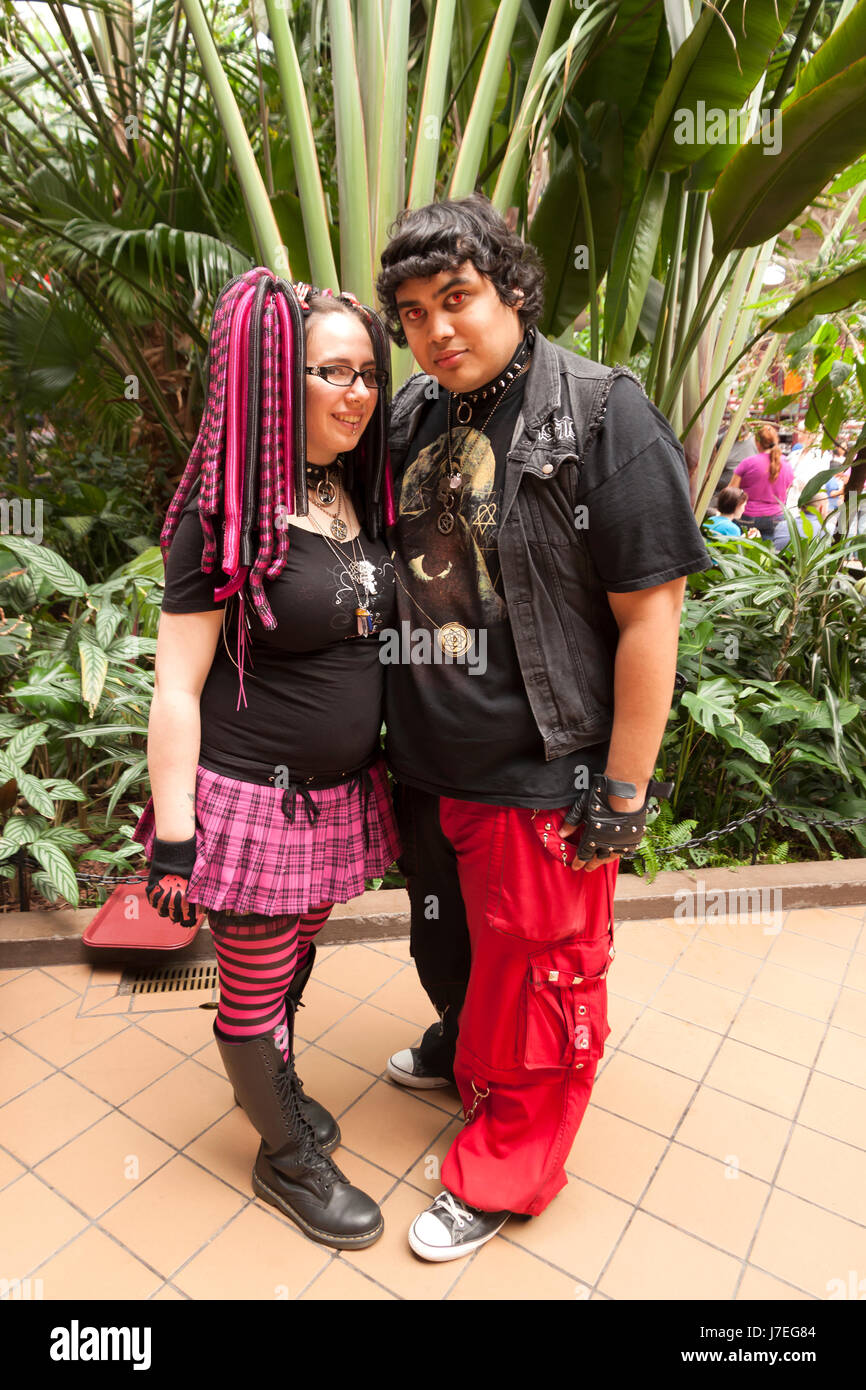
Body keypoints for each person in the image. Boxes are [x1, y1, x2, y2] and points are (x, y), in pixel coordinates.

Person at [374, 194, 713, 1261]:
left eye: (459, 299)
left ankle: (506, 1162)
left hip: (539, 762)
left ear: (512, 289)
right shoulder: (411, 416)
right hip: (430, 756)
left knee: (542, 971)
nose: (438, 330)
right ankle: (468, 1049)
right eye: (415, 313)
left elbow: (648, 617)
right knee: (454, 941)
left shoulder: (601, 413)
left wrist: (620, 791)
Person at [133, 268, 400, 1251]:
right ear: (277, 382)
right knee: (251, 990)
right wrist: (173, 844)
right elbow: (174, 685)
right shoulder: (223, 513)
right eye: (332, 371)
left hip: (333, 798)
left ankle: (276, 1089)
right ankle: (284, 1155)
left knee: (293, 958)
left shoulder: (342, 488)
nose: (356, 393)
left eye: (368, 373)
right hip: (250, 801)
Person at [730, 424, 794, 542]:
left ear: (756, 441)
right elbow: (787, 490)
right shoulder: (787, 465)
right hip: (776, 516)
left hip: (747, 515)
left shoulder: (748, 463)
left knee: (742, 551)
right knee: (767, 555)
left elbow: (732, 490)